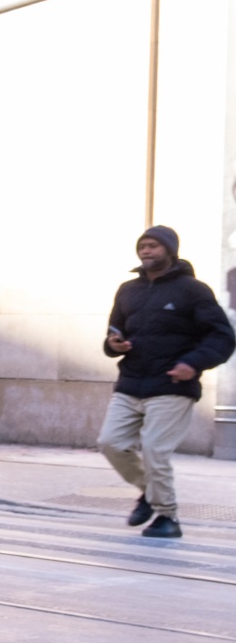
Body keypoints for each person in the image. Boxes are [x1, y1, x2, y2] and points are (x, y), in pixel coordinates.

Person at [98, 226, 233, 539]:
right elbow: (114, 331)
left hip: (172, 385)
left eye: (153, 246)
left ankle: (167, 517)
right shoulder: (127, 290)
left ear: (170, 251)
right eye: (142, 246)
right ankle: (149, 492)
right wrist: (113, 343)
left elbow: (222, 337)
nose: (146, 251)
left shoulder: (193, 290)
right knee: (110, 443)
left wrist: (193, 364)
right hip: (131, 382)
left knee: (155, 449)